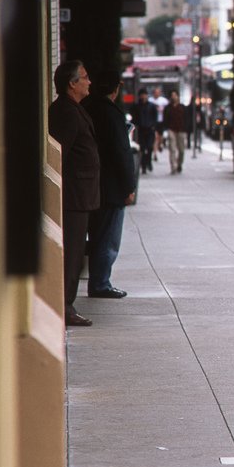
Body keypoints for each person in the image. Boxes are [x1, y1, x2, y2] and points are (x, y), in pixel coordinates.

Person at [48, 60, 100, 327]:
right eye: (85, 77)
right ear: (72, 83)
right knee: (72, 253)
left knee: (76, 251)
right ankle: (65, 306)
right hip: (73, 196)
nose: (89, 82)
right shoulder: (66, 112)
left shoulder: (73, 109)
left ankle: (67, 303)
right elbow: (60, 155)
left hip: (80, 195)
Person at [83, 70, 136, 299]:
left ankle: (98, 281)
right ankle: (100, 283)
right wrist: (129, 187)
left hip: (93, 184)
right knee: (108, 237)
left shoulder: (86, 107)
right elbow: (121, 153)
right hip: (111, 186)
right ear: (115, 89)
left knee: (97, 234)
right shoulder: (112, 114)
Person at [131, 88, 157, 174]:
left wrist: (154, 126)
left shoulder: (152, 106)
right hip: (141, 130)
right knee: (142, 148)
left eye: (144, 94)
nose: (143, 96)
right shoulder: (136, 106)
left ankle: (148, 161)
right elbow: (134, 118)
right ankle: (144, 165)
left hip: (150, 129)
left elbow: (155, 117)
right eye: (142, 95)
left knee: (149, 147)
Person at [163, 90, 186, 174]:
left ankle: (179, 164)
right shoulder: (168, 108)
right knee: (172, 149)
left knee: (181, 150)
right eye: (172, 95)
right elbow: (165, 119)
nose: (173, 97)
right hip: (171, 129)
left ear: (178, 96)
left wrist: (186, 128)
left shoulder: (182, 107)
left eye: (175, 95)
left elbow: (187, 118)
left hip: (181, 130)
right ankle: (173, 166)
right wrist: (166, 128)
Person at [150, 87, 168, 157]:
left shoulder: (164, 101)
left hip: (161, 121)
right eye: (155, 92)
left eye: (158, 92)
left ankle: (160, 144)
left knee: (160, 137)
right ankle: (155, 153)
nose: (157, 94)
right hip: (153, 121)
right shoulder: (150, 100)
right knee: (155, 137)